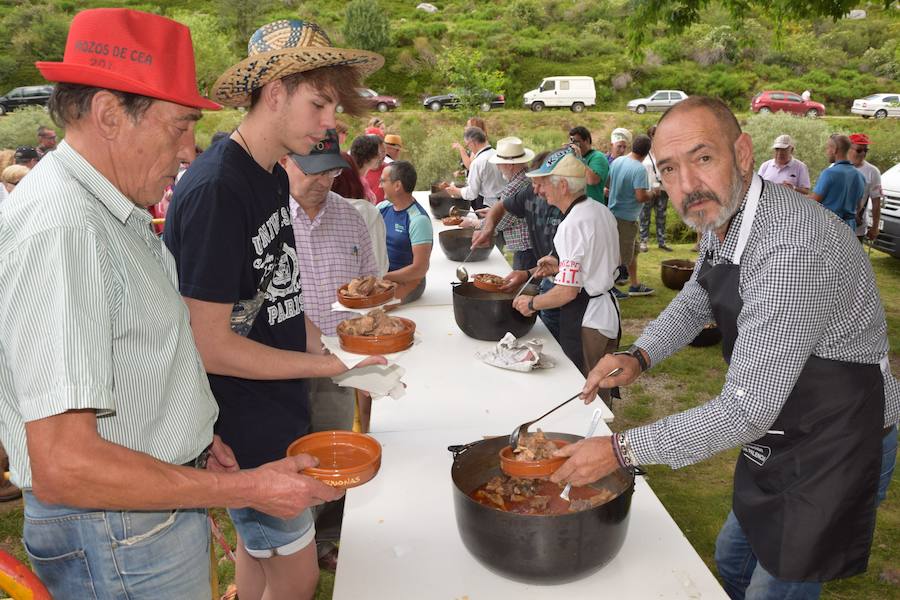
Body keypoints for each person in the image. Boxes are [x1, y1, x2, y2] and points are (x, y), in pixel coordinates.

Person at [0, 9, 348, 598]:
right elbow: (65, 464)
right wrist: (249, 490)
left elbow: (144, 344)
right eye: (179, 126)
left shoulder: (112, 210)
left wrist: (189, 434)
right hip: (116, 532)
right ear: (110, 114)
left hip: (141, 513)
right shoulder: (65, 229)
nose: (190, 150)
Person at [555, 96, 899, 600]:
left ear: (741, 154)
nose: (688, 185)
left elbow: (747, 409)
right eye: (669, 169)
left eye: (703, 158)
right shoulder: (724, 219)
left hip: (838, 436)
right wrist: (640, 356)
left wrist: (619, 450)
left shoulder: (790, 251)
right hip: (783, 424)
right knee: (732, 563)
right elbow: (699, 295)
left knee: (774, 588)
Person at [165, 18, 385, 600]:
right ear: (275, 93)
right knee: (297, 578)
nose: (331, 122)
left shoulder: (265, 176)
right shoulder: (218, 189)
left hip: (270, 413)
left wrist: (335, 350)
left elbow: (276, 296)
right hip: (242, 427)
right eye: (319, 104)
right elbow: (209, 342)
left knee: (258, 561)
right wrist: (329, 369)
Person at [282, 129, 379, 432]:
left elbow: (370, 293)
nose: (323, 181)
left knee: (332, 457)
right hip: (280, 368)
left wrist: (371, 362)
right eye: (312, 171)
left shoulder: (350, 218)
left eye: (331, 171)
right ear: (284, 160)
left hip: (339, 366)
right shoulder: (266, 217)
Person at [512, 149, 620, 387]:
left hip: (589, 319)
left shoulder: (572, 224)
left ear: (562, 186)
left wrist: (531, 304)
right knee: (602, 381)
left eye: (545, 184)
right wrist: (559, 267)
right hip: (606, 314)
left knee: (587, 386)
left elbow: (567, 292)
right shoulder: (600, 210)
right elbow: (596, 262)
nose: (539, 191)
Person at [473, 150, 564, 341]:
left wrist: (527, 275)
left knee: (562, 345)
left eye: (541, 183)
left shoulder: (569, 211)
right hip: (547, 276)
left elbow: (566, 266)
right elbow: (500, 206)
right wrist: (488, 228)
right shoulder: (530, 192)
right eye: (534, 182)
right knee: (545, 335)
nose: (536, 189)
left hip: (569, 289)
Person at [378, 160, 432, 303]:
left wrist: (382, 277)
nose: (379, 185)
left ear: (397, 186)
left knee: (372, 309)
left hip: (408, 283)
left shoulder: (418, 220)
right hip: (384, 279)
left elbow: (420, 269)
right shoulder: (382, 208)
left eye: (383, 181)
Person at [608, 134, 654, 298]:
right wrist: (653, 193)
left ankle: (634, 285)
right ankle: (609, 288)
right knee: (619, 257)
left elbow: (608, 183)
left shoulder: (618, 161)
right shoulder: (639, 169)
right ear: (648, 152)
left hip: (615, 213)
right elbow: (640, 197)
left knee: (633, 252)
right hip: (625, 219)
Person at [486, 136, 536, 271]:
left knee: (524, 287)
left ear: (509, 165)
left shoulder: (514, 186)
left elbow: (500, 223)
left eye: (499, 163)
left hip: (525, 250)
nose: (497, 167)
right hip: (534, 246)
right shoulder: (528, 176)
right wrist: (491, 212)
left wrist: (474, 223)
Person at [810, 134, 865, 230]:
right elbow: (859, 207)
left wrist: (792, 193)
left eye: (828, 148)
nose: (827, 152)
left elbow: (813, 201)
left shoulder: (829, 173)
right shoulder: (860, 176)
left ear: (834, 149)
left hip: (830, 227)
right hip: (849, 229)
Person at [445, 126, 505, 210]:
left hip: (488, 206)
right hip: (504, 203)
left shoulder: (477, 162)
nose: (468, 148)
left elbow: (472, 193)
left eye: (467, 145)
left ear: (472, 143)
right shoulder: (498, 154)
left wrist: (456, 191)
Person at [639, 125, 672, 252]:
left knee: (661, 216)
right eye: (654, 134)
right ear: (650, 136)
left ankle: (662, 241)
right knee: (644, 216)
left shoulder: (665, 151)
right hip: (647, 188)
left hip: (662, 188)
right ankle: (643, 242)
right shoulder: (644, 152)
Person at [848, 133, 883, 243]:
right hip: (835, 225)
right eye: (859, 150)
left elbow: (876, 202)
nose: (863, 153)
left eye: (866, 150)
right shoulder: (835, 167)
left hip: (857, 229)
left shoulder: (872, 171)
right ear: (848, 148)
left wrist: (875, 227)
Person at [569, 126, 609, 204]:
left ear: (586, 140)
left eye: (576, 142)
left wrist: (579, 159)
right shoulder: (574, 157)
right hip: (576, 205)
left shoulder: (598, 157)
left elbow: (592, 180)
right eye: (572, 143)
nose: (574, 145)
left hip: (593, 205)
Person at [350, 134, 382, 203]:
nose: (380, 157)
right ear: (368, 156)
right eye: (378, 153)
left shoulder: (357, 178)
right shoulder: (357, 183)